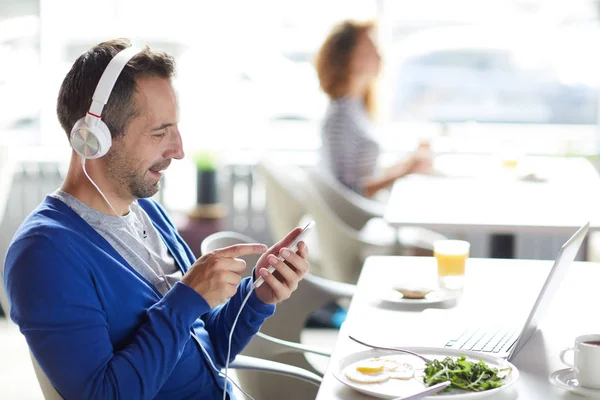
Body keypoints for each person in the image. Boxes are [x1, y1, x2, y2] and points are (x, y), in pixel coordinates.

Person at [3, 39, 310, 399]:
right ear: (93, 139)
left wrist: (258, 296)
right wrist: (186, 299)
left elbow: (209, 349)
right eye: (159, 132)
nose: (178, 150)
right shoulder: (44, 255)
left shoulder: (147, 211)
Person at [315, 20, 434, 199]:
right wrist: (404, 171)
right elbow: (348, 192)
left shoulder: (355, 108)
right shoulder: (340, 117)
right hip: (360, 219)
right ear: (348, 58)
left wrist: (408, 164)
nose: (379, 55)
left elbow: (366, 175)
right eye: (371, 48)